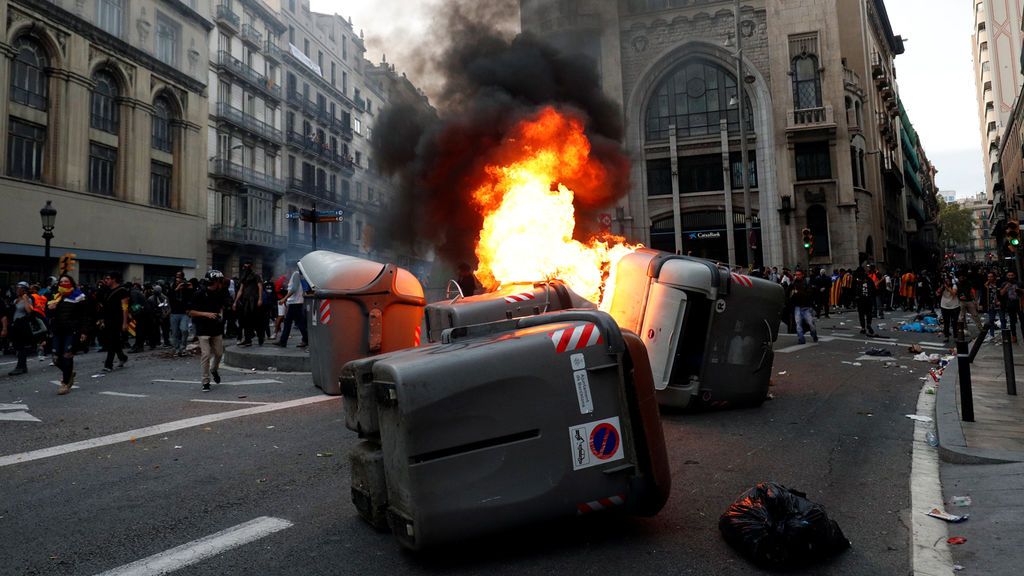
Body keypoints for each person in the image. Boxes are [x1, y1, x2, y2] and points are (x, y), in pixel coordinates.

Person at [47, 274, 89, 395]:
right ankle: (69, 372)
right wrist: (50, 308)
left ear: (71, 283)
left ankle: (65, 383)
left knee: (67, 356)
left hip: (71, 331)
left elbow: (84, 316)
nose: (63, 283)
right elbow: (48, 314)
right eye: (61, 281)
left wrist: (84, 331)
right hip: (57, 331)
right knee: (55, 358)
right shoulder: (56, 296)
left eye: (66, 281)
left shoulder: (79, 296)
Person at [188, 270, 229, 392]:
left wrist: (221, 314)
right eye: (219, 280)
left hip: (216, 328)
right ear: (215, 281)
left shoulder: (220, 293)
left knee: (219, 353)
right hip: (203, 328)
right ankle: (205, 381)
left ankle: (214, 369)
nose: (221, 283)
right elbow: (190, 311)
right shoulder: (199, 293)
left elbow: (222, 306)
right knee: (205, 355)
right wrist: (206, 314)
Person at [100, 272, 130, 372]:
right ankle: (122, 357)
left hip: (117, 320)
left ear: (114, 279)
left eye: (108, 278)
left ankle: (108, 364)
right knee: (114, 341)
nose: (106, 280)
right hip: (108, 320)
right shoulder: (107, 291)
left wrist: (125, 322)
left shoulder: (122, 291)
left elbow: (125, 307)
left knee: (111, 342)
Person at [275, 263, 308, 348]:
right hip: (294, 303)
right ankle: (283, 341)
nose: (287, 270)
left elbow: (294, 288)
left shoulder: (295, 274)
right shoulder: (294, 275)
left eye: (288, 267)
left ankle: (284, 341)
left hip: (296, 303)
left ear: (291, 267)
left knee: (294, 323)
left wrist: (284, 298)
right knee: (290, 322)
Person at [7, 282, 36, 376]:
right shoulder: (15, 299)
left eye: (19, 288)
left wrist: (26, 300)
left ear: (24, 289)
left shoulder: (27, 299)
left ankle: (21, 367)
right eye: (16, 287)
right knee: (17, 346)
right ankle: (22, 366)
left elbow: (29, 311)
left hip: (22, 325)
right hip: (14, 325)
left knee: (21, 346)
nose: (17, 289)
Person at [233, 260, 264, 347]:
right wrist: (235, 302)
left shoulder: (256, 275)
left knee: (256, 320)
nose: (245, 268)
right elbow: (240, 290)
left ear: (251, 267)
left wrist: (260, 299)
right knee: (245, 321)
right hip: (245, 301)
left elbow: (260, 286)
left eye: (247, 267)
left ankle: (260, 337)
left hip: (254, 300)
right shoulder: (244, 277)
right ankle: (248, 340)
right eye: (245, 267)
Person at [169, 271, 194, 357]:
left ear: (183, 278)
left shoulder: (186, 286)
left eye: (180, 277)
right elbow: (169, 297)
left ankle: (183, 348)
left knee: (184, 330)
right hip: (174, 313)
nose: (178, 279)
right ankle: (177, 349)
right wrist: (177, 288)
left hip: (184, 313)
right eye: (177, 277)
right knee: (175, 333)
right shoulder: (172, 286)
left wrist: (190, 288)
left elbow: (191, 297)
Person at [790, 271, 818, 345]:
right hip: (797, 306)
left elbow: (809, 294)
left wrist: (798, 292)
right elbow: (788, 293)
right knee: (798, 324)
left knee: (811, 323)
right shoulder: (793, 283)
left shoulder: (806, 283)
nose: (797, 276)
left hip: (806, 307)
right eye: (796, 275)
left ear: (802, 275)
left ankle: (814, 334)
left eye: (799, 275)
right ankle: (801, 339)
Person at [957, 270, 984, 336]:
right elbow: (957, 292)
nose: (961, 278)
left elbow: (972, 291)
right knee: (962, 317)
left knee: (975, 315)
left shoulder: (968, 283)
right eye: (960, 277)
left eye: (962, 277)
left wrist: (975, 301)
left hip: (969, 300)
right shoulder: (958, 284)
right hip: (962, 301)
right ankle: (965, 330)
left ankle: (981, 330)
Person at [853, 268, 877, 337]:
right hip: (868, 299)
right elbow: (874, 289)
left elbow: (853, 290)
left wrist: (855, 298)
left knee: (861, 315)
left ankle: (863, 328)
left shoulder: (857, 280)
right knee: (869, 313)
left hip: (860, 300)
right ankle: (868, 324)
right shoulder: (869, 279)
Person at [1000, 270, 1022, 344]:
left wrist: (1020, 290)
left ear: (1014, 276)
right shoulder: (1004, 284)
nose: (1010, 277)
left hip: (1019, 304)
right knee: (1012, 322)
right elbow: (1001, 293)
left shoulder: (1019, 283)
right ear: (1007, 276)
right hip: (1010, 304)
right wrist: (1006, 287)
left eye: (1012, 275)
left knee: (1022, 320)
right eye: (1009, 275)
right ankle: (1014, 336)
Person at [937, 274, 960, 343]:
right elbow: (937, 293)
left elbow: (953, 293)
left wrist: (947, 287)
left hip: (954, 307)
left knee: (954, 323)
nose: (947, 282)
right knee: (946, 322)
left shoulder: (954, 286)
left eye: (948, 281)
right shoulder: (942, 287)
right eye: (945, 281)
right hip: (944, 306)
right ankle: (946, 337)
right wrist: (940, 289)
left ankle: (955, 337)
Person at [981, 271, 1002, 341]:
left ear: (994, 277)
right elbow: (983, 295)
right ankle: (991, 335)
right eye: (988, 277)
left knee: (1002, 320)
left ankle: (1004, 335)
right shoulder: (986, 285)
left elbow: (1000, 292)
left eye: (991, 277)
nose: (989, 278)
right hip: (991, 305)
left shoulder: (999, 283)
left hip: (999, 305)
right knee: (991, 320)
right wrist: (981, 304)